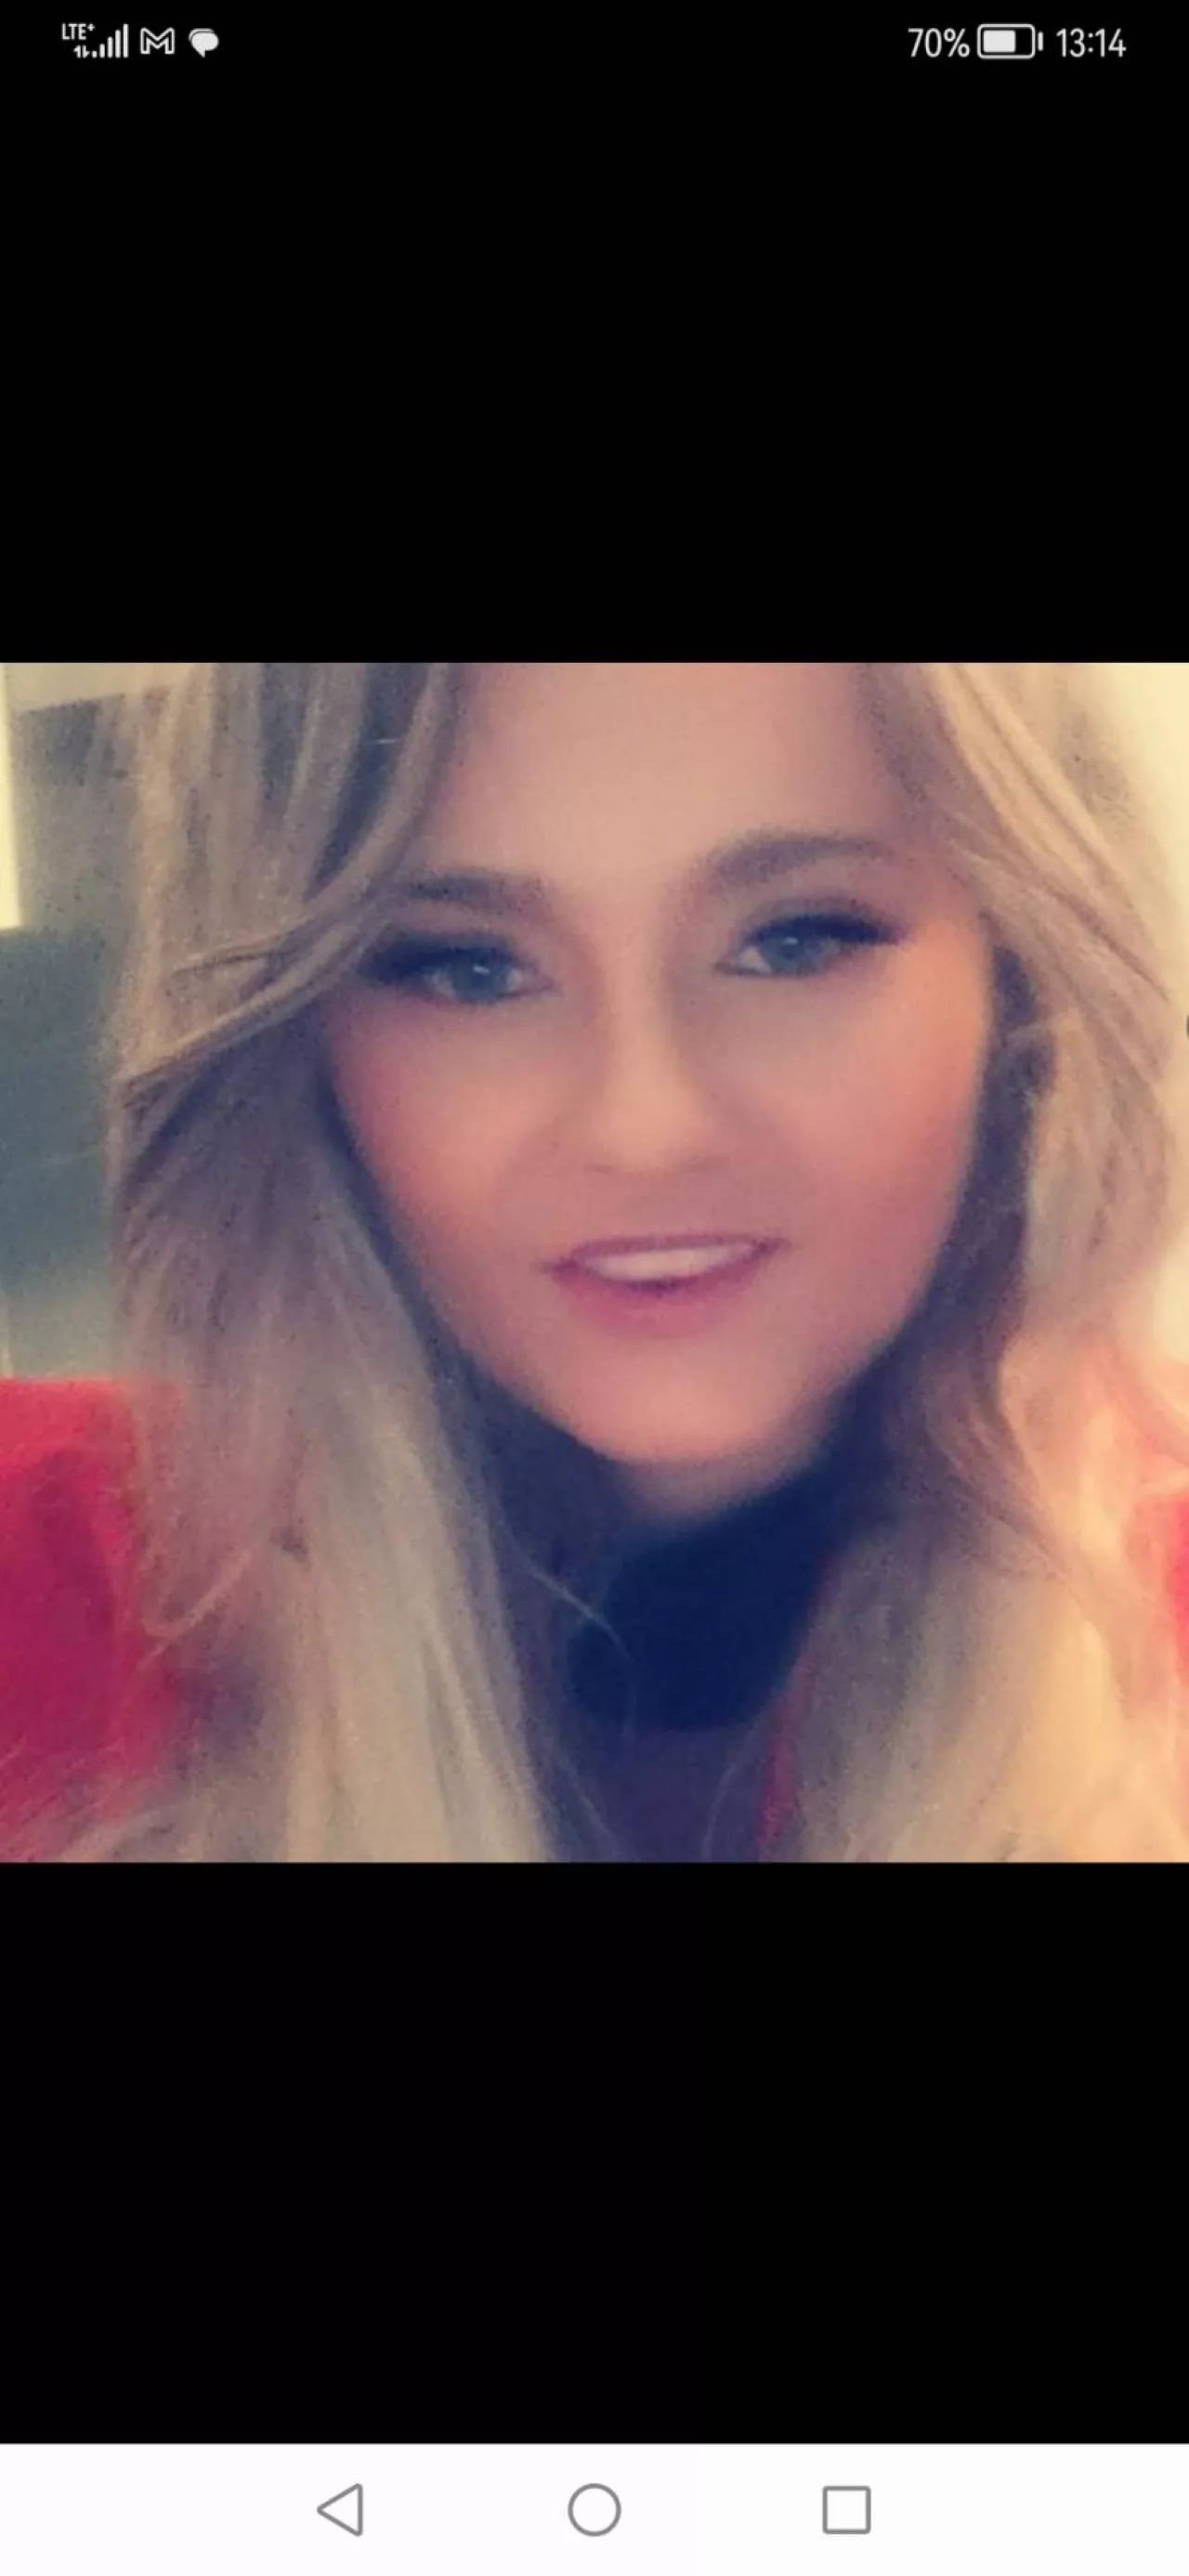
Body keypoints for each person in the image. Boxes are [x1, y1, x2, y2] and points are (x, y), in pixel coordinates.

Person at [3, 661, 1189, 1862]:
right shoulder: (37, 1577)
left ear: (1017, 973)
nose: (644, 1126)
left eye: (794, 940)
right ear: (299, 1040)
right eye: (471, 967)